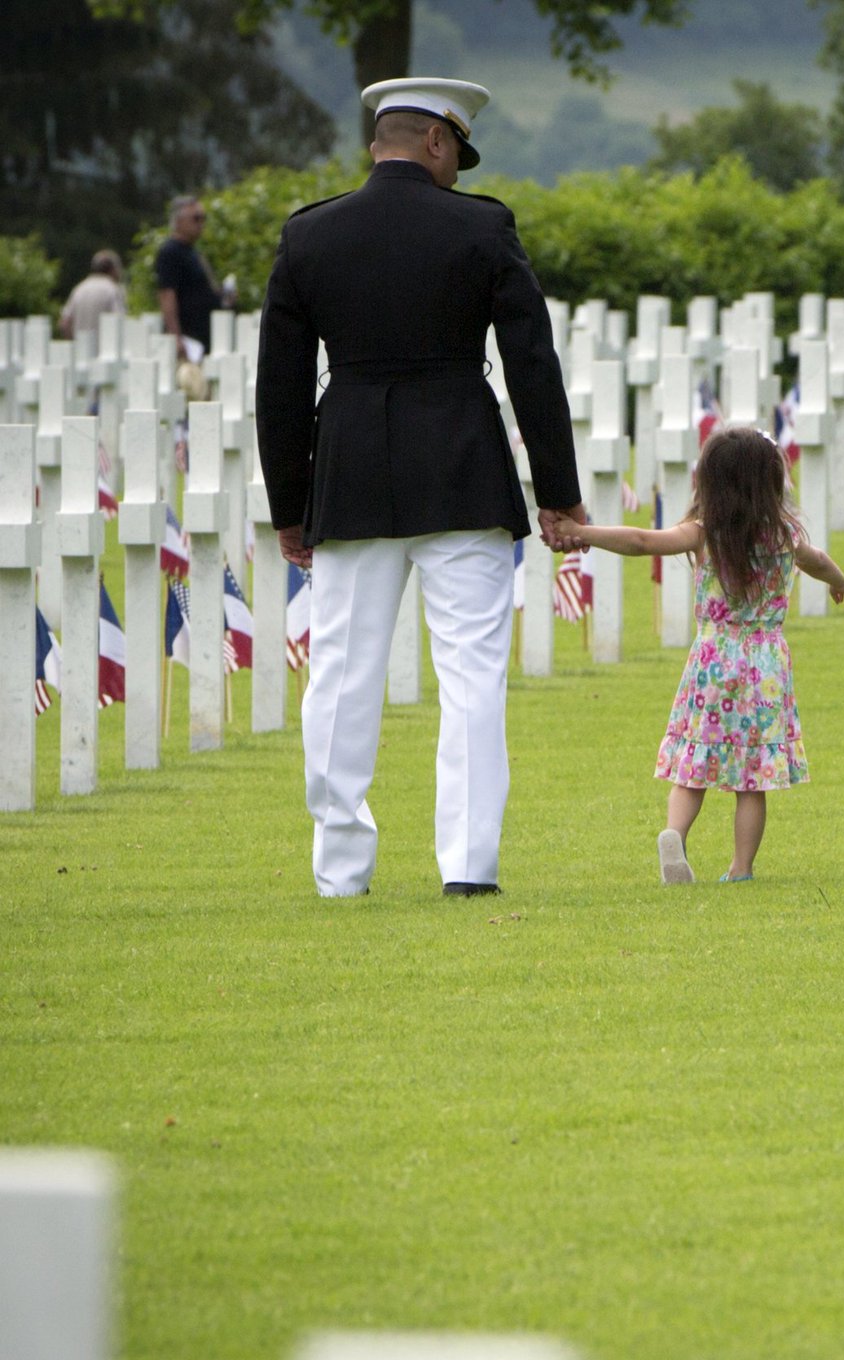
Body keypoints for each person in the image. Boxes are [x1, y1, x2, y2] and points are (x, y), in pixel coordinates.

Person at [255, 77, 585, 899]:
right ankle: (468, 868)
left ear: (379, 141)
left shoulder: (308, 236)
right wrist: (558, 492)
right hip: (463, 472)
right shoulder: (482, 228)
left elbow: (281, 389)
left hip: (352, 475)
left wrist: (289, 510)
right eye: (457, 157)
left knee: (340, 673)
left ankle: (340, 870)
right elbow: (531, 366)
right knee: (471, 675)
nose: (459, 175)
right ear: (438, 142)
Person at [562, 427, 844, 884]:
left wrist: (583, 532)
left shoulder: (705, 533)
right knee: (751, 778)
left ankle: (675, 834)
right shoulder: (786, 535)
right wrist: (841, 583)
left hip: (713, 659)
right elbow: (818, 561)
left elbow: (641, 541)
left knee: (694, 762)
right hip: (764, 667)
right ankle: (741, 868)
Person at [155, 197, 234, 389]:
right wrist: (176, 336)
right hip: (189, 339)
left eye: (203, 218)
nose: (201, 223)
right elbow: (167, 294)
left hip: (203, 336)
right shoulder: (170, 252)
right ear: (178, 220)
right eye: (196, 218)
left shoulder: (193, 252)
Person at [58, 251, 126, 348]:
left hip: (81, 354)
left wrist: (75, 346)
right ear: (113, 270)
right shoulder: (113, 289)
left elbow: (64, 324)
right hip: (105, 355)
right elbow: (120, 321)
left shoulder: (79, 289)